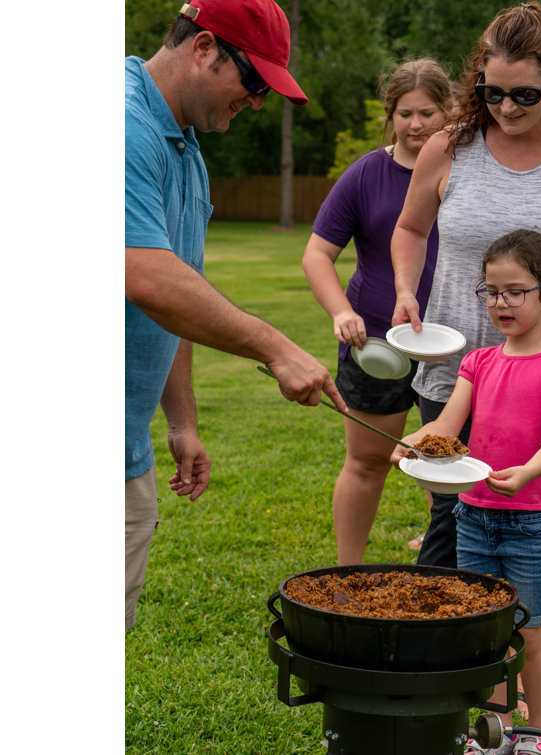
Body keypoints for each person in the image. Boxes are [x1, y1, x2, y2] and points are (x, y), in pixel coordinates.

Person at [125, 0, 347, 632]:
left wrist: (182, 421)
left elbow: (182, 293)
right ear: (203, 48)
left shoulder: (184, 147)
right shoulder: (121, 124)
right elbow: (144, 277)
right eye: (252, 83)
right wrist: (274, 346)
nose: (254, 102)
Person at [390, 3, 541, 590]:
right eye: (492, 92)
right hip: (455, 372)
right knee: (451, 528)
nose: (506, 107)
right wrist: (403, 287)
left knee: (528, 528)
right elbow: (411, 229)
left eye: (524, 94)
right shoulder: (449, 147)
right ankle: (445, 669)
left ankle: (509, 671)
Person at [391, 229, 541, 755]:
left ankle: (538, 733)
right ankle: (498, 731)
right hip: (473, 515)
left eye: (514, 291)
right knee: (484, 630)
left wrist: (524, 472)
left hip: (530, 522)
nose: (500, 303)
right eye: (491, 292)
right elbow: (448, 424)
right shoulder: (478, 361)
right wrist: (411, 441)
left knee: (531, 631)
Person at [302, 59, 453, 564]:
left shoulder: (472, 170)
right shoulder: (367, 173)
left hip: (455, 346)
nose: (416, 124)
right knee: (368, 461)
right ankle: (348, 569)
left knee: (448, 460)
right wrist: (341, 312)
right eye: (405, 113)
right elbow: (317, 254)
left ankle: (444, 554)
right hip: (377, 346)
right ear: (390, 116)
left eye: (428, 112)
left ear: (449, 111)